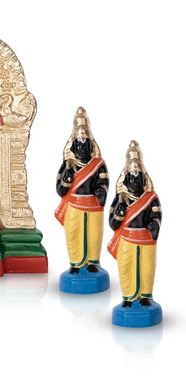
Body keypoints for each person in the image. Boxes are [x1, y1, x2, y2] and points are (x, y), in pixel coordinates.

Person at [55, 107, 109, 273]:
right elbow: (59, 189)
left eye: (86, 143)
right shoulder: (68, 164)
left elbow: (103, 183)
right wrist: (66, 182)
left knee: (94, 235)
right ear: (73, 145)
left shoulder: (98, 165)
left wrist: (100, 192)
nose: (83, 147)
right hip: (74, 204)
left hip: (93, 205)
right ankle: (75, 263)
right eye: (79, 143)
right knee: (73, 234)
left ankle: (93, 262)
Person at [108, 140, 161, 307]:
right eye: (132, 176)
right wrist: (119, 215)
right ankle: (128, 297)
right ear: (126, 178)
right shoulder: (121, 197)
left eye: (138, 176)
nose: (135, 180)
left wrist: (154, 224)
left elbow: (156, 215)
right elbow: (112, 222)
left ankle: (146, 296)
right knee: (126, 267)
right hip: (127, 238)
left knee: (146, 269)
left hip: (146, 239)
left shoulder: (151, 198)